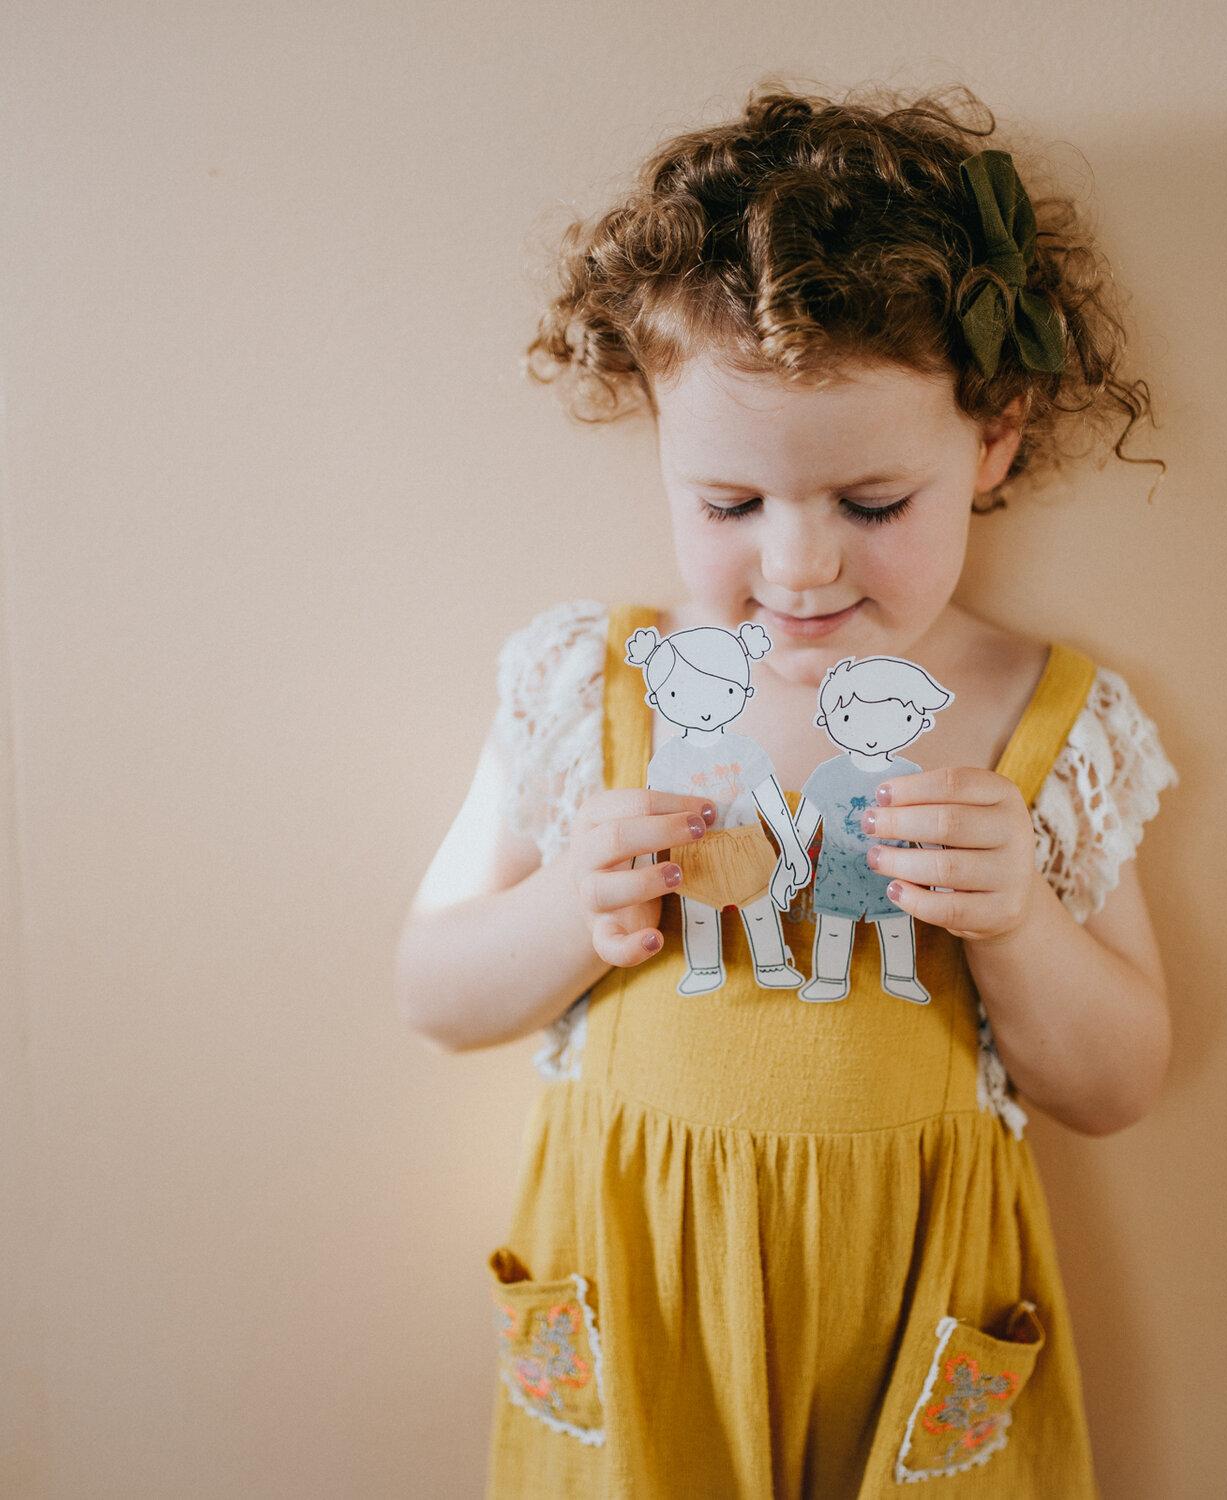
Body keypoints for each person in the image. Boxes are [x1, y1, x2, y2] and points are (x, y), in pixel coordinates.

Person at [396, 80, 1181, 1499]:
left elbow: (1119, 1083)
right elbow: (437, 991)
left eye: (872, 506)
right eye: (730, 505)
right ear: (662, 453)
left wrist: (1019, 924)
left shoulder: (1037, 724)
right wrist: (573, 905)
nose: (801, 567)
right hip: (644, 1296)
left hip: (907, 1310)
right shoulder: (594, 689)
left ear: (991, 442)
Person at [622, 619, 810, 993]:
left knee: (760, 909)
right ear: (659, 699)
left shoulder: (745, 749)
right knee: (700, 913)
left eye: (722, 691)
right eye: (680, 694)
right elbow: (652, 815)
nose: (704, 708)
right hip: (695, 854)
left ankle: (771, 963)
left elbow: (770, 799)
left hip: (748, 844)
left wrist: (792, 846)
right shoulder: (668, 758)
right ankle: (705, 968)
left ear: (743, 691)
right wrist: (642, 867)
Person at [794, 654, 953, 1005]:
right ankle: (829, 978)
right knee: (833, 928)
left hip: (892, 868)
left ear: (918, 721)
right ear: (829, 718)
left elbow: (925, 828)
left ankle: (900, 976)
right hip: (837, 869)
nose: (871, 735)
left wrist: (939, 873)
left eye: (896, 718)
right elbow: (804, 821)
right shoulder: (827, 773)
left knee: (896, 927)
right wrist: (792, 857)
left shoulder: (911, 774)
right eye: (852, 717)